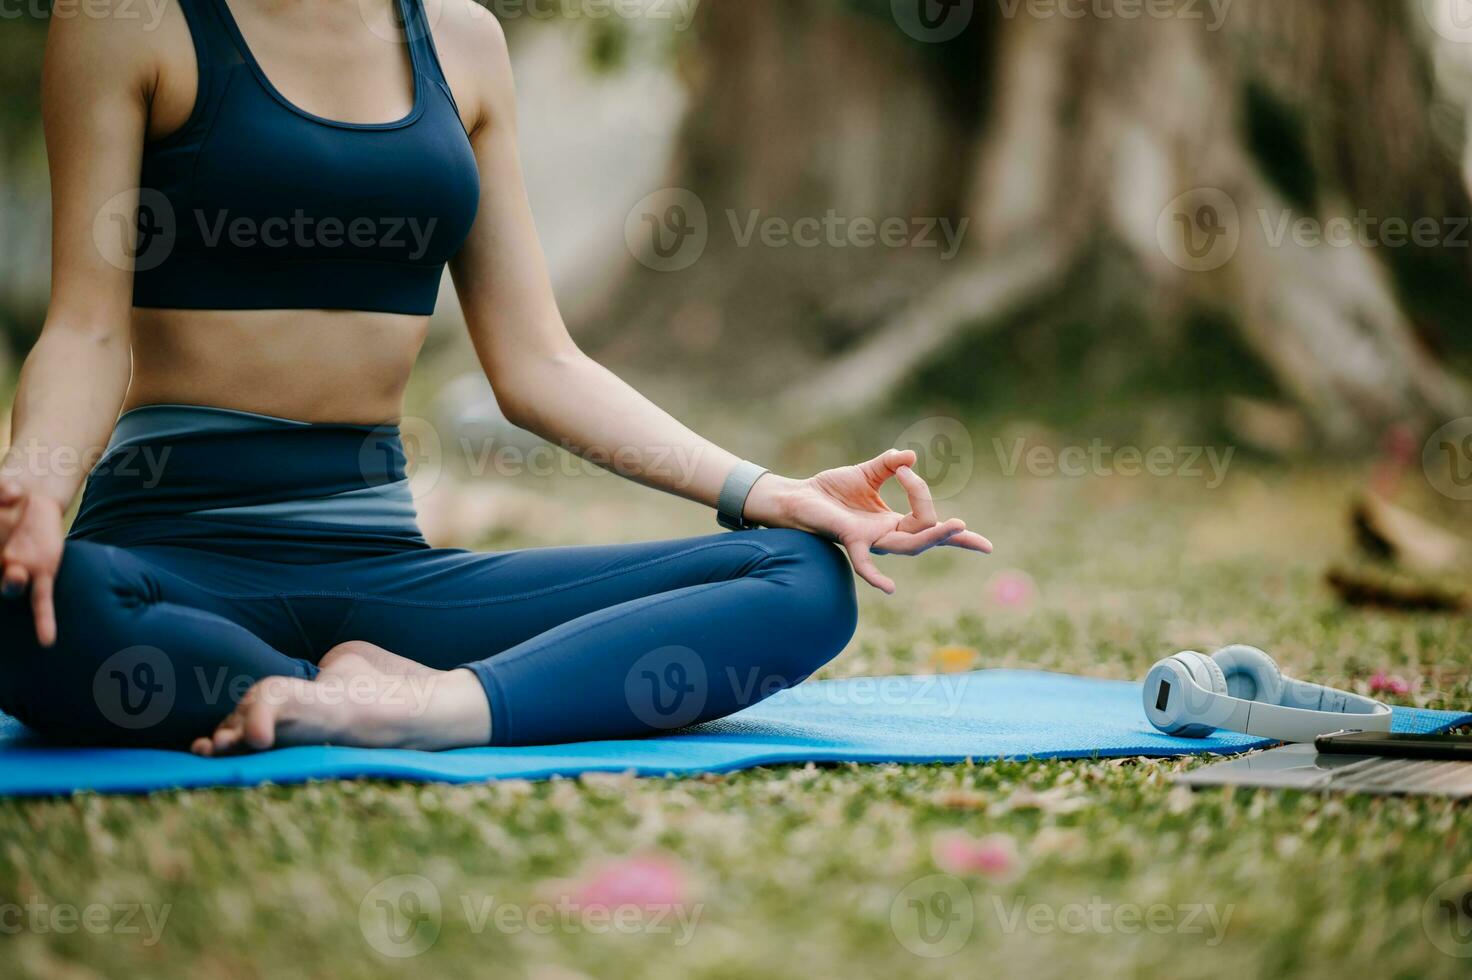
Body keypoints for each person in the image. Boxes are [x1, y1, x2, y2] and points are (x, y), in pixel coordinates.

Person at [0, 0, 990, 754]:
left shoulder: (461, 41)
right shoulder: (129, 21)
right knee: (27, 606)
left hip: (385, 572)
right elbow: (88, 332)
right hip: (170, 557)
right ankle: (349, 687)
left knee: (799, 576)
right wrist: (37, 494)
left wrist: (768, 492)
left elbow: (536, 361)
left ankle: (426, 704)